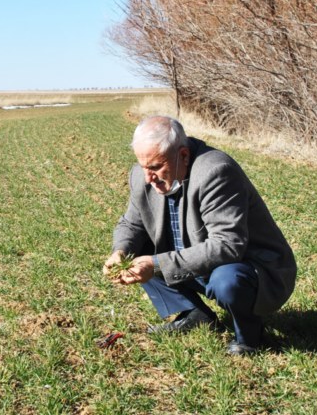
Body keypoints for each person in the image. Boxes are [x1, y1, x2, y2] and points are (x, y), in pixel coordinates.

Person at [103, 116, 296, 355]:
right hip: (198, 262)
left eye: (155, 167)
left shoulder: (215, 171)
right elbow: (131, 223)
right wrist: (119, 252)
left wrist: (155, 263)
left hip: (251, 268)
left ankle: (249, 334)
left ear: (183, 155)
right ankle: (195, 313)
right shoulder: (142, 176)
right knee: (136, 252)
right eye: (143, 167)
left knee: (227, 281)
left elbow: (228, 245)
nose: (147, 177)